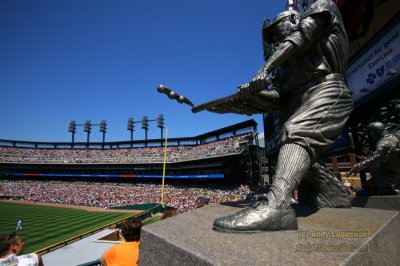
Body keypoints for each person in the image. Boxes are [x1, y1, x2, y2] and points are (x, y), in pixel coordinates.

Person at [213, 0, 353, 232]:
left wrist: (264, 68)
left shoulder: (323, 7)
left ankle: (277, 207)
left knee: (295, 130)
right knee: (296, 156)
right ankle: (332, 196)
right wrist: (241, 102)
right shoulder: (285, 68)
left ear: (293, 18)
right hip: (302, 99)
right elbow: (278, 98)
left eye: (279, 28)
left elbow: (302, 37)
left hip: (329, 89)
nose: (277, 36)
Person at [347, 121, 400, 195]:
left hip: (391, 176)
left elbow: (376, 157)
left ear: (373, 134)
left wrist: (358, 166)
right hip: (393, 172)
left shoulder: (383, 143)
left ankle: (389, 190)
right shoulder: (396, 136)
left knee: (365, 186)